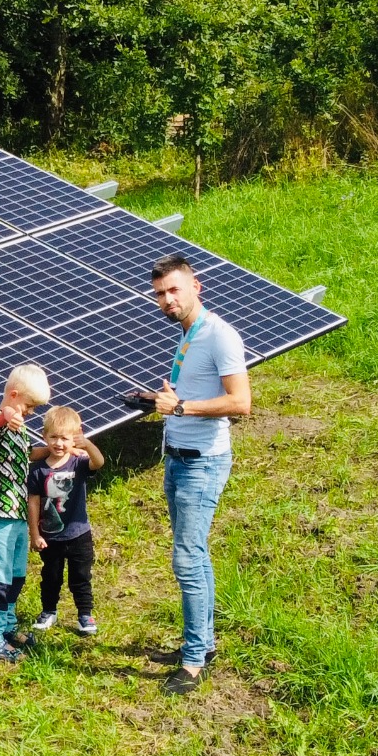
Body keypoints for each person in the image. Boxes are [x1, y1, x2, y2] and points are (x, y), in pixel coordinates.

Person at [146, 255, 250, 696]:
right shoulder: (189, 334)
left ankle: (192, 663)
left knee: (187, 560)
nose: (167, 300)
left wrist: (183, 407)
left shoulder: (220, 335)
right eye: (160, 295)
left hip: (203, 462)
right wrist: (170, 398)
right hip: (179, 457)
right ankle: (202, 644)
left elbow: (241, 402)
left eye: (174, 290)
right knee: (196, 554)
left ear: (195, 286)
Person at [0, 363, 50, 662]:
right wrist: (9, 414)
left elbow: (29, 454)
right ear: (13, 394)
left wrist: (54, 449)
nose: (30, 412)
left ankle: (7, 625)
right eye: (29, 405)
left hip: (20, 512)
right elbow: (0, 418)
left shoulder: (20, 432)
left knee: (17, 575)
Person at [28, 406, 105, 636]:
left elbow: (99, 462)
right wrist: (35, 534)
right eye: (53, 437)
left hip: (79, 533)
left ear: (74, 438)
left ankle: (85, 614)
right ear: (44, 437)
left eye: (65, 438)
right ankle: (48, 611)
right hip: (50, 534)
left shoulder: (78, 463)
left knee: (81, 577)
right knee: (50, 576)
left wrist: (86, 444)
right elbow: (32, 502)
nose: (59, 443)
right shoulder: (38, 470)